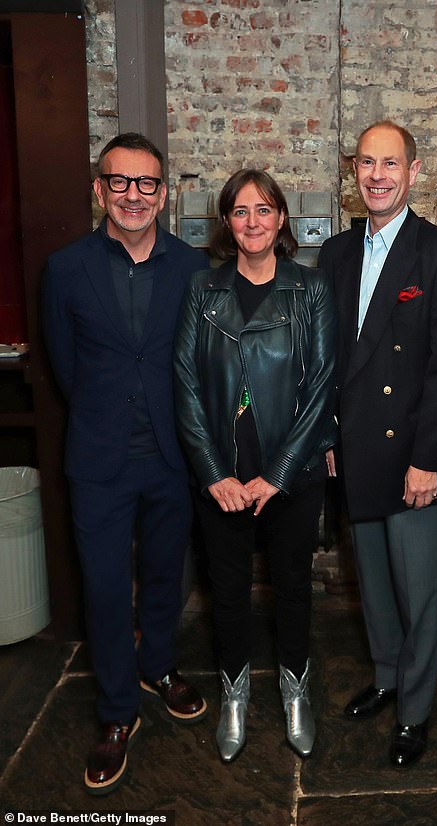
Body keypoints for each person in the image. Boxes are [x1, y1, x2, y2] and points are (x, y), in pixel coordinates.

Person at [42, 133, 208, 796]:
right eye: (120, 182)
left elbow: (198, 363)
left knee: (167, 573)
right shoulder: (65, 269)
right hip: (100, 459)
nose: (134, 195)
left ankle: (158, 665)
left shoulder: (192, 267)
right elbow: (65, 364)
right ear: (99, 189)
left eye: (146, 184)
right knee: (108, 588)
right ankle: (116, 713)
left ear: (163, 194)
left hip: (172, 457)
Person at [317, 121, 437, 768]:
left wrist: (427, 460)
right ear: (354, 172)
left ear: (413, 172)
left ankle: (414, 712)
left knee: (421, 594)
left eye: (391, 164)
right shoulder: (334, 253)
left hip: (414, 458)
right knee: (375, 585)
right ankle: (386, 678)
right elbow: (327, 359)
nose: (377, 175)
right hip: (356, 450)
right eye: (366, 163)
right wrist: (328, 438)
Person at [173, 169, 336, 763]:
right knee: (230, 592)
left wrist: (281, 472)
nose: (253, 222)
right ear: (226, 222)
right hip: (223, 479)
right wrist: (214, 473)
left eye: (264, 210)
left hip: (289, 477)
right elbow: (186, 385)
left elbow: (322, 386)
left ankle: (296, 692)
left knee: (293, 588)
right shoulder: (202, 290)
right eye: (241, 212)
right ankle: (234, 697)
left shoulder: (311, 289)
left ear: (283, 219)